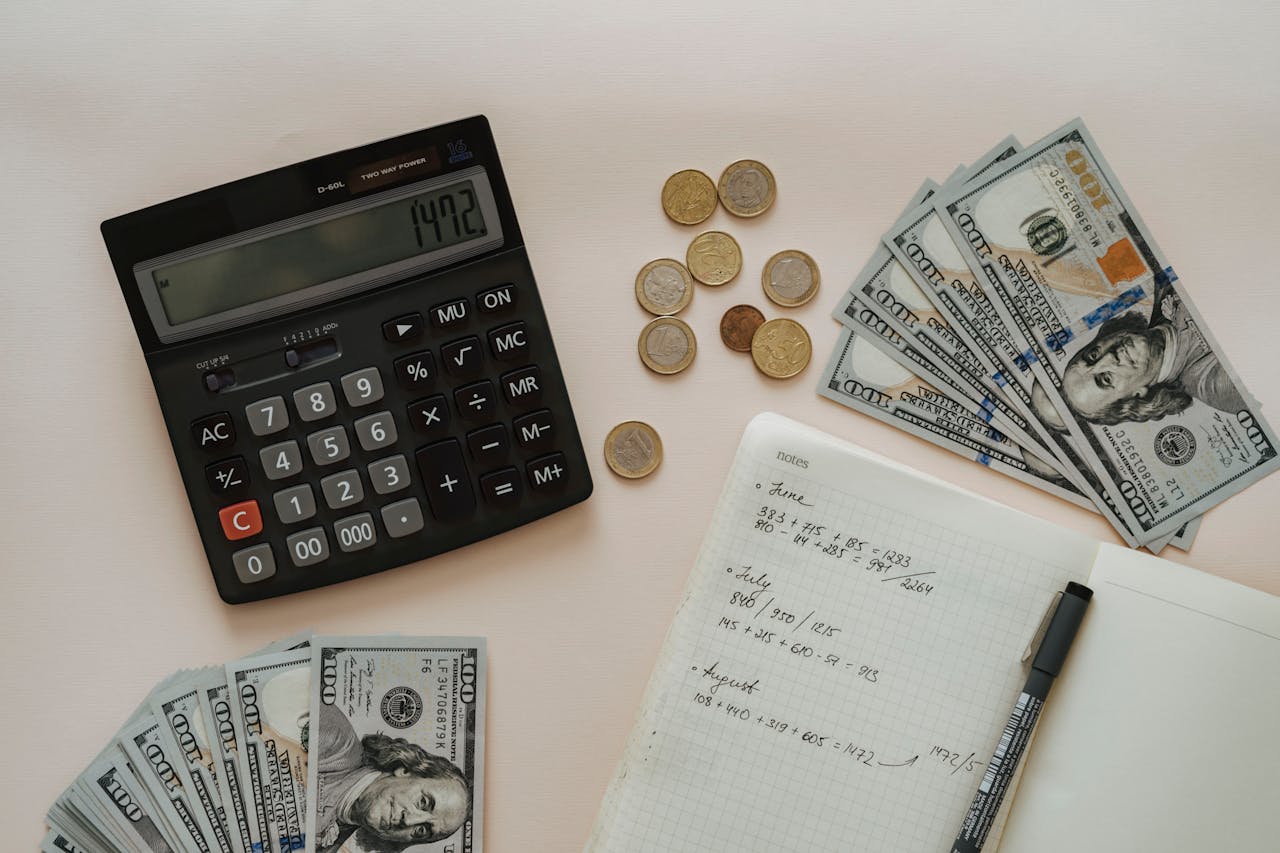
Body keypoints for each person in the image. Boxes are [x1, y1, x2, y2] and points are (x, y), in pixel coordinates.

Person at [1056, 294, 1246, 426]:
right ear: (1138, 396)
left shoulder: (1162, 287)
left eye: (1092, 356)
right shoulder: (1216, 384)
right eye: (1106, 378)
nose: (1108, 357)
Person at [311, 702, 470, 853]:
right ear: (405, 771)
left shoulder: (330, 846)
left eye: (421, 830)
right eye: (422, 802)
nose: (408, 821)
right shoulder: (334, 740)